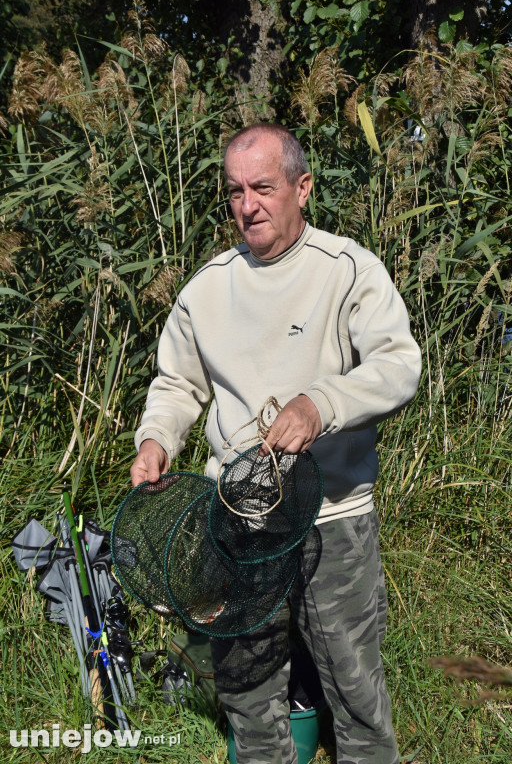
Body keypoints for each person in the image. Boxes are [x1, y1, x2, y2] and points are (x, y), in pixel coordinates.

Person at [130, 122, 422, 764]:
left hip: (332, 520)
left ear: (303, 187)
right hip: (238, 521)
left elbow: (399, 365)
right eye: (235, 191)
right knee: (245, 687)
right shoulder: (207, 287)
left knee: (353, 687)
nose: (248, 205)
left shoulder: (347, 270)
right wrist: (156, 438)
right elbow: (177, 382)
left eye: (262, 186)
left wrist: (321, 403)